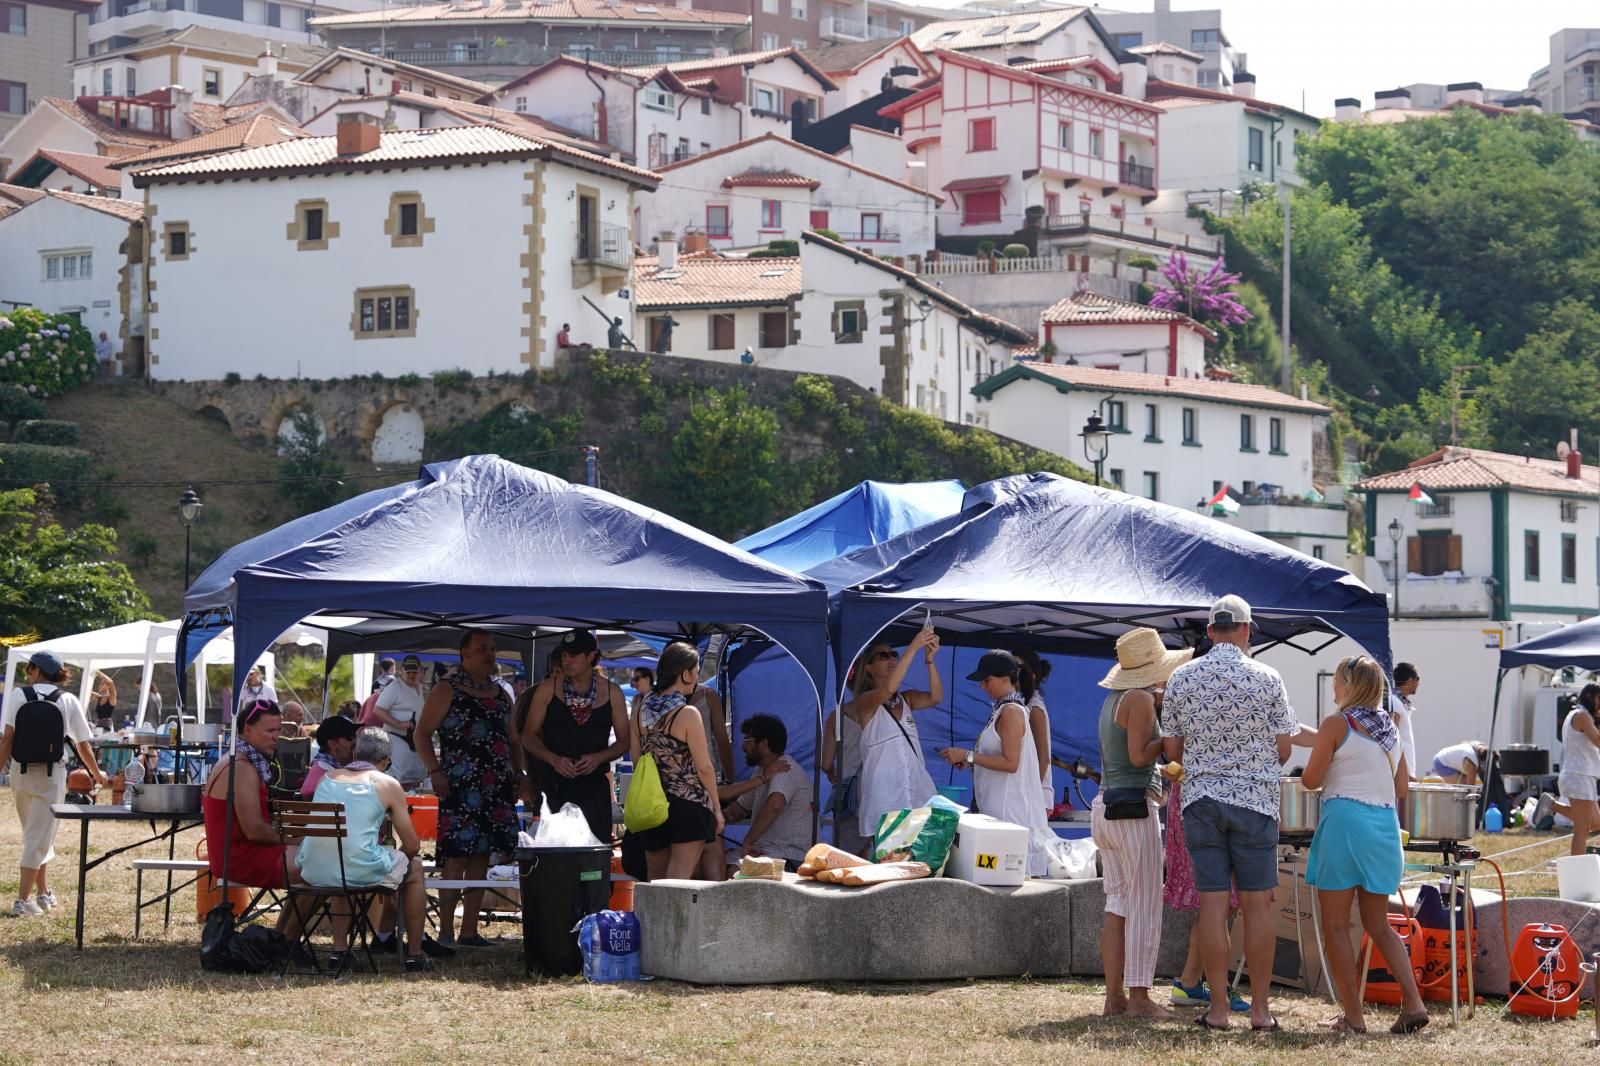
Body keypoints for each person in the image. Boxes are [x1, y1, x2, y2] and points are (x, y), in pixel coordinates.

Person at [1163, 595, 1298, 1032]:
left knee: (1212, 906)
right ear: (1246, 630)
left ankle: (1218, 1010)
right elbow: (1284, 748)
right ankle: (1260, 1011)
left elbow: (1173, 751)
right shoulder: (1268, 677)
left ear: (1208, 632)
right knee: (1258, 908)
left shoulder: (1181, 678)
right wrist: (1251, 770)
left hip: (1200, 801)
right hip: (1255, 803)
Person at [1301, 655, 1428, 1034]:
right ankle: (1414, 1003)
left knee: (1337, 927)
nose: (1334, 687)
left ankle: (1354, 1018)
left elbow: (1309, 779)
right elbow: (1402, 787)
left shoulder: (1336, 723)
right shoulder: (1389, 727)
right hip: (1384, 827)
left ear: (1349, 685)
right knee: (1379, 924)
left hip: (1344, 823)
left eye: (1338, 681)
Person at [1084, 630, 1192, 1018]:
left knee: (1118, 905)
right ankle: (1141, 998)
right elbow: (1136, 757)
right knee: (1145, 906)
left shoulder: (1114, 699)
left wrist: (1158, 764)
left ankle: (1114, 998)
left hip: (1106, 807)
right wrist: (1165, 748)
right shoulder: (1142, 698)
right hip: (1133, 813)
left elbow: (1124, 758)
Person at [415, 630, 523, 948]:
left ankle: (470, 931)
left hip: (497, 787)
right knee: (455, 858)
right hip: (458, 786)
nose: (490, 654)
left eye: (492, 648)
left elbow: (514, 741)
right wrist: (434, 770)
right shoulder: (445, 689)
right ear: (465, 654)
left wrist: (520, 774)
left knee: (481, 856)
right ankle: (446, 931)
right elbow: (421, 735)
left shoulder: (502, 694)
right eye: (482, 649)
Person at [300, 728, 438, 973]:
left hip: (315, 868)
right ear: (385, 761)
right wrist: (398, 870)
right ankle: (415, 954)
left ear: (355, 753)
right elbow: (413, 845)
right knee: (414, 869)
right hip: (357, 869)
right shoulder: (387, 784)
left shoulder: (326, 778)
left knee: (342, 870)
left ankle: (339, 951)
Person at [0, 651, 108, 917]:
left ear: (36, 670)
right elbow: (83, 744)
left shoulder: (17, 696)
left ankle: (43, 893)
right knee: (38, 837)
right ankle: (22, 901)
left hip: (20, 773)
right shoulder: (67, 700)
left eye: (29, 669)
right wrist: (96, 774)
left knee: (36, 835)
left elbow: (7, 740)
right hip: (51, 776)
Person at [200, 699, 308, 938]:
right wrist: (297, 841)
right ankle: (286, 942)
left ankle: (282, 939)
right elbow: (255, 831)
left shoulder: (239, 760)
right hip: (239, 858)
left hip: (235, 854)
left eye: (278, 730)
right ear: (247, 730)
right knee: (319, 869)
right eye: (270, 731)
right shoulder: (242, 768)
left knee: (317, 865)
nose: (276, 737)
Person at [939, 650, 1054, 873]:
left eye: (986, 680)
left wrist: (968, 756)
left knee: (1006, 878)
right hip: (998, 813)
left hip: (1011, 815)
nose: (982, 686)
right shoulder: (1003, 709)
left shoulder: (1011, 712)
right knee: (994, 876)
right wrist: (972, 762)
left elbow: (1011, 763)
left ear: (1005, 678)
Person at [522, 629, 630, 844]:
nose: (566, 660)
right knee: (555, 858)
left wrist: (599, 758)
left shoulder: (612, 692)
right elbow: (528, 736)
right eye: (564, 655)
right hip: (554, 787)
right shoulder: (547, 689)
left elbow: (625, 741)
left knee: (594, 859)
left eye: (573, 655)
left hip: (594, 789)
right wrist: (553, 759)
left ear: (591, 656)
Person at [631, 643, 721, 879]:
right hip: (689, 803)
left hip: (652, 802)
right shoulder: (688, 713)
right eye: (697, 671)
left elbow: (636, 758)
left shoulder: (640, 708)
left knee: (655, 878)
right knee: (678, 880)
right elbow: (704, 767)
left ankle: (651, 918)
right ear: (685, 674)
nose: (697, 678)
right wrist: (717, 809)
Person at [849, 627, 941, 850]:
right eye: (884, 655)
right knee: (891, 861)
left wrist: (929, 661)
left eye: (893, 655)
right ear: (869, 668)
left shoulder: (906, 699)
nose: (891, 659)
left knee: (919, 861)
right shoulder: (864, 701)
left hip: (916, 790)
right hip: (885, 795)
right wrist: (913, 647)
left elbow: (936, 697)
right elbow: (888, 688)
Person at [720, 714, 811, 872]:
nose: (743, 747)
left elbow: (774, 805)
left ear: (763, 744)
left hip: (788, 855)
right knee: (713, 862)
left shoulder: (785, 768)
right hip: (765, 851)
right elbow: (740, 809)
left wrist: (749, 840)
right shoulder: (761, 771)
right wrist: (721, 816)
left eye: (747, 740)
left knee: (735, 872)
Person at [1537, 683, 1600, 853]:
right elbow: (1598, 741)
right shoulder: (1582, 715)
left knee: (1595, 823)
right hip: (1579, 776)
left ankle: (1552, 805)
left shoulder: (1578, 715)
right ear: (1591, 697)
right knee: (1581, 831)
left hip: (1581, 776)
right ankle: (1578, 873)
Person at [372, 654, 428, 788]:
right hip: (397, 738)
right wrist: (399, 724)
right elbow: (378, 710)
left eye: (414, 672)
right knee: (398, 777)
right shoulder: (394, 687)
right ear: (401, 670)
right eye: (408, 672)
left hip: (414, 740)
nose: (411, 675)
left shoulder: (419, 687)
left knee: (416, 775)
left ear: (419, 671)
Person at [820, 701, 865, 855]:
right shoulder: (885, 712)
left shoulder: (837, 716)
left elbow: (825, 763)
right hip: (879, 787)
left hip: (848, 791)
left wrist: (832, 773)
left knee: (847, 855)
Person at [1013, 648, 1054, 810]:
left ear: (1031, 675)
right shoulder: (1020, 704)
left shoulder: (1034, 707)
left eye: (1016, 666)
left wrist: (1030, 795)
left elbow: (1043, 758)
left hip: (1034, 798)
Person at [301, 715, 358, 798]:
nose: (355, 742)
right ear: (332, 744)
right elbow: (307, 794)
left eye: (355, 737)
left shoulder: (329, 767)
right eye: (349, 737)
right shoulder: (324, 770)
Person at [1389, 662, 1420, 780]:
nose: (1418, 683)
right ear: (1410, 681)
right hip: (1400, 772)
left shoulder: (1401, 703)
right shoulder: (1395, 703)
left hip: (1404, 771)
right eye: (1417, 679)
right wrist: (1404, 772)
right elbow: (1392, 739)